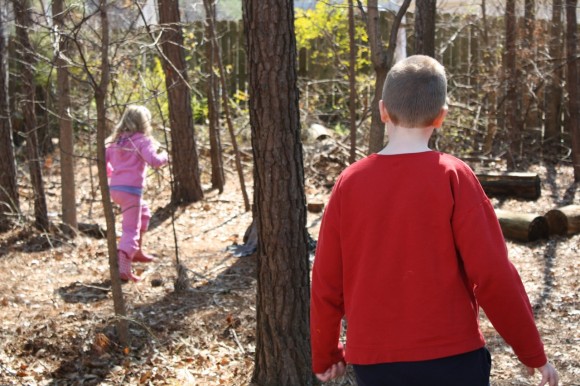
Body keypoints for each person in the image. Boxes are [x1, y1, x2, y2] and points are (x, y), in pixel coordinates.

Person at [310, 55, 559, 386]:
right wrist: (532, 353)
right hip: (453, 361)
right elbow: (493, 274)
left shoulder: (350, 182)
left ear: (383, 110)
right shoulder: (454, 176)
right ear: (441, 116)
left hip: (377, 364)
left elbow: (327, 282)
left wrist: (325, 354)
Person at [106, 105, 168, 282]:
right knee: (130, 228)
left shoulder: (115, 140)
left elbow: (103, 160)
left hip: (116, 189)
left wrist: (113, 173)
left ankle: (137, 251)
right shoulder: (142, 140)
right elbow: (154, 161)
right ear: (144, 122)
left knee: (144, 212)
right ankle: (124, 268)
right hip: (131, 191)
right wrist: (165, 156)